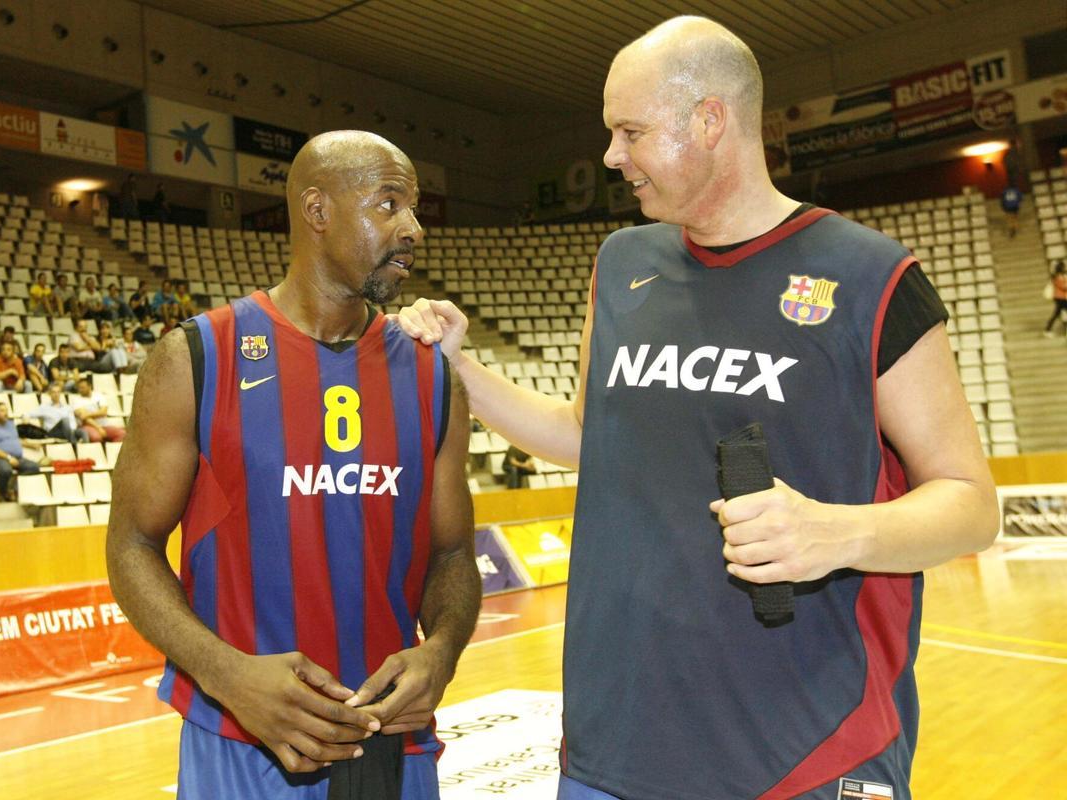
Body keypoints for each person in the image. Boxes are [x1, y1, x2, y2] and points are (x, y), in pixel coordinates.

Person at [397, 18, 998, 800]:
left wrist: (836, 531)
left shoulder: (870, 277)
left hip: (807, 747)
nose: (612, 156)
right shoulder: (622, 264)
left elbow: (971, 503)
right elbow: (586, 435)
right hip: (614, 743)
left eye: (631, 131)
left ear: (710, 121)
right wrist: (460, 371)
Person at [106, 130, 479, 798]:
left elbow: (451, 555)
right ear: (317, 211)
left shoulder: (433, 378)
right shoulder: (196, 358)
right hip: (243, 740)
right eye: (389, 204)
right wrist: (225, 674)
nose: (414, 228)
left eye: (414, 209)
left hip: (390, 742)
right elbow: (131, 545)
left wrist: (441, 653)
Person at [0, 402, 39, 501]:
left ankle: (14, 489)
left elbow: (15, 440)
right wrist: (9, 458)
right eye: (2, 411)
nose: (6, 413)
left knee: (34, 467)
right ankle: (2, 493)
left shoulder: (11, 425)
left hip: (16, 458)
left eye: (6, 410)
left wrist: (30, 445)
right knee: (5, 469)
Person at [72, 376, 124, 443]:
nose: (80, 390)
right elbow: (85, 419)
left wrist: (87, 414)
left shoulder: (99, 396)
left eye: (82, 387)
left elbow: (103, 412)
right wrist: (98, 427)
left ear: (89, 386)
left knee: (122, 434)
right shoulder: (76, 400)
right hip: (87, 426)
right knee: (96, 437)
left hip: (104, 425)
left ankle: (112, 450)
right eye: (79, 388)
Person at [1045, 260, 1067, 338]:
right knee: (1057, 314)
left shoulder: (1060, 276)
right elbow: (1064, 287)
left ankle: (1048, 329)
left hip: (1061, 298)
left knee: (1057, 314)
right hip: (1060, 298)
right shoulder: (1058, 276)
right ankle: (1047, 330)